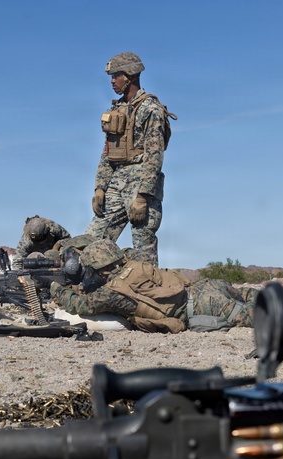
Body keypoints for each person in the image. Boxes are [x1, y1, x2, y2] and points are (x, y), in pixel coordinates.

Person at [49, 239, 259, 333]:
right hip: (205, 287)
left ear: (101, 270)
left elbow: (80, 305)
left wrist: (55, 288)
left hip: (205, 306)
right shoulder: (134, 262)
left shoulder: (112, 292)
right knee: (255, 296)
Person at [85, 52, 175, 266]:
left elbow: (155, 156)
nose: (112, 81)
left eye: (116, 75)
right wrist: (100, 187)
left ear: (130, 75)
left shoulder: (151, 109)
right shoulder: (116, 110)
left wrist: (143, 196)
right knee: (91, 242)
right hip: (117, 182)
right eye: (112, 76)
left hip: (141, 182)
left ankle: (148, 286)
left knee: (143, 250)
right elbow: (108, 152)